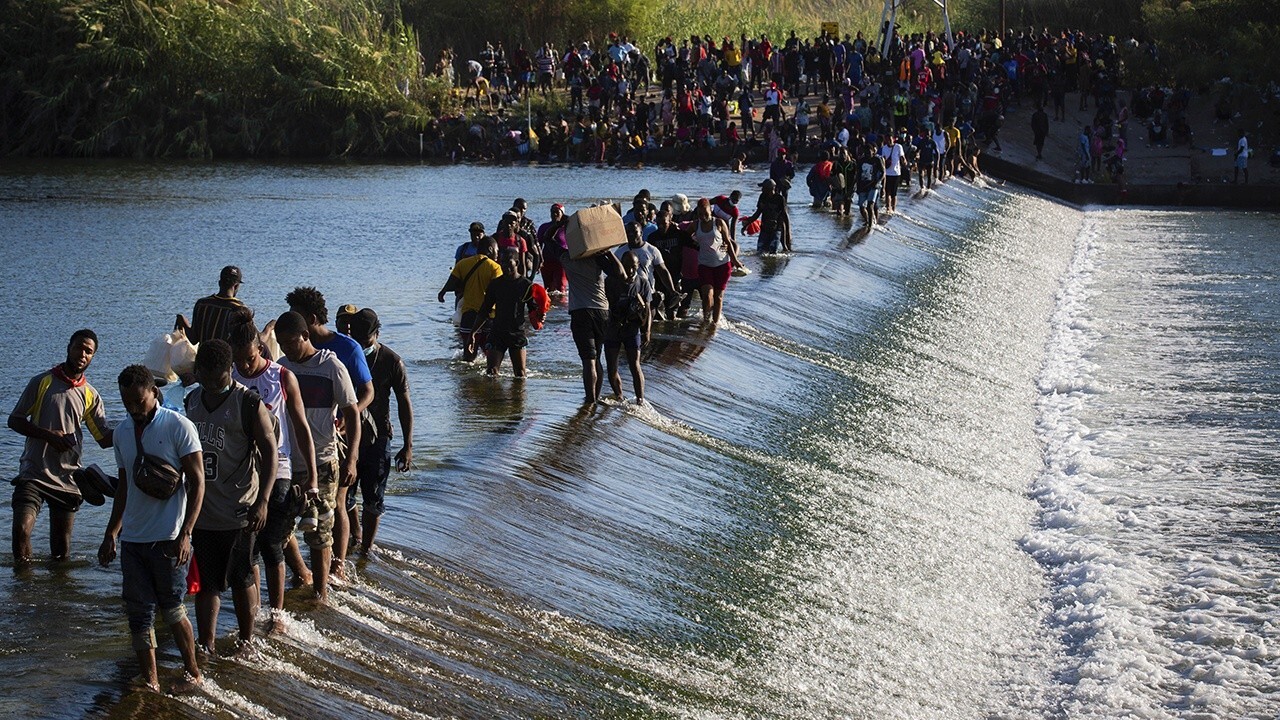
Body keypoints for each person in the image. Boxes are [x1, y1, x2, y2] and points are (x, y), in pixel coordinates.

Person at [97, 365, 204, 694]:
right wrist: (111, 533)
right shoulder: (122, 433)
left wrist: (186, 533)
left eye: (139, 401)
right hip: (132, 540)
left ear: (153, 393)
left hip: (169, 540)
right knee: (138, 615)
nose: (133, 408)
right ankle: (151, 680)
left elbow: (199, 483)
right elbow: (125, 487)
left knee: (172, 610)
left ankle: (193, 672)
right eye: (127, 402)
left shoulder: (178, 426)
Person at [185, 340, 277, 656]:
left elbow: (270, 451)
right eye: (205, 378)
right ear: (197, 372)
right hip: (204, 510)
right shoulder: (191, 401)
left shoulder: (248, 403)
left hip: (240, 508)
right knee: (207, 582)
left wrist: (263, 500)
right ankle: (206, 644)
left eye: (218, 378)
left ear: (229, 371)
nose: (211, 385)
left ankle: (246, 641)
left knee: (240, 577)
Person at [228, 317, 317, 630]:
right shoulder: (230, 378)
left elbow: (301, 427)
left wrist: (312, 476)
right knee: (246, 547)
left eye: (250, 358)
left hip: (278, 468)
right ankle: (254, 611)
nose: (245, 366)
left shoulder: (281, 376)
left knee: (271, 543)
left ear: (260, 347)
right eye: (238, 360)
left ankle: (277, 615)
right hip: (242, 474)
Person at [286, 287, 372, 580]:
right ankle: (307, 571)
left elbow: (366, 391)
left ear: (310, 320)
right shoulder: (288, 356)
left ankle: (338, 565)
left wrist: (349, 421)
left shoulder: (346, 349)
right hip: (298, 448)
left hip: (338, 438)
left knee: (338, 504)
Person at [273, 311, 359, 604]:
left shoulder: (330, 366)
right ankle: (301, 573)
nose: (286, 349)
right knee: (278, 529)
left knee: (320, 530)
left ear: (305, 336)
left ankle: (320, 594)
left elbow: (351, 412)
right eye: (281, 343)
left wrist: (352, 458)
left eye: (291, 342)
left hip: (322, 459)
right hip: (287, 461)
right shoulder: (282, 368)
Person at [9, 329, 113, 565]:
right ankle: (24, 590)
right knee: (21, 532)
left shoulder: (90, 395)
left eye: (89, 351)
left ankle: (57, 598)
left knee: (61, 552)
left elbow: (104, 439)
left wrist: (141, 423)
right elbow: (14, 420)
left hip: (68, 478)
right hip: (33, 472)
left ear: (93, 357)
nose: (83, 354)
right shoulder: (42, 382)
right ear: (69, 348)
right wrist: (48, 435)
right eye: (79, 347)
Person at [335, 306, 412, 556]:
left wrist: (408, 445)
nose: (360, 343)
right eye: (356, 337)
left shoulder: (392, 361)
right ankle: (354, 535)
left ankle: (366, 550)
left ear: (377, 333)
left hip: (378, 437)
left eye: (365, 339)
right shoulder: (345, 355)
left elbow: (404, 404)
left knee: (373, 497)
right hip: (346, 436)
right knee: (344, 495)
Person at [559, 235, 626, 404]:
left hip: (581, 313)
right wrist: (609, 253)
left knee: (588, 360)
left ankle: (590, 402)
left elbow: (548, 239)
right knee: (596, 357)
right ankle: (594, 398)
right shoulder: (598, 258)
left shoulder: (567, 257)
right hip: (602, 312)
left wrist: (560, 225)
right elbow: (621, 274)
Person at [469, 250, 542, 378]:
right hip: (497, 332)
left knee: (520, 374)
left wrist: (540, 316)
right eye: (502, 263)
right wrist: (473, 332)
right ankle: (494, 397)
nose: (504, 266)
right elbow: (484, 310)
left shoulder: (526, 285)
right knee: (491, 372)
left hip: (517, 333)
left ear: (517, 263)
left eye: (508, 263)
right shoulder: (495, 284)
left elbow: (533, 309)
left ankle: (517, 397)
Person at [437, 237, 503, 362]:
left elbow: (451, 284)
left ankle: (467, 380)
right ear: (490, 249)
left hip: (468, 316)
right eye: (496, 250)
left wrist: (442, 292)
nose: (497, 254)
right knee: (490, 354)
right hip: (488, 316)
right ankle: (489, 379)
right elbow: (498, 292)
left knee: (468, 355)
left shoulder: (463, 263)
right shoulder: (495, 267)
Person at [604, 251, 652, 403]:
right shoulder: (610, 281)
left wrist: (647, 330)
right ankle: (619, 397)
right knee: (612, 367)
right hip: (613, 329)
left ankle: (640, 400)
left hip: (632, 329)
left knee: (635, 365)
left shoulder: (643, 283)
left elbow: (648, 310)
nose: (630, 271)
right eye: (626, 267)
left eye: (634, 267)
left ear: (638, 266)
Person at [692, 197, 742, 325]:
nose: (703, 217)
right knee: (707, 294)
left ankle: (714, 324)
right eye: (700, 214)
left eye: (706, 214)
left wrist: (735, 260)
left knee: (718, 297)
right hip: (704, 264)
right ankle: (705, 320)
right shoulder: (696, 224)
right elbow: (684, 235)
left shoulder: (719, 223)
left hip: (722, 264)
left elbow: (728, 242)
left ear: (711, 211)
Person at [183, 266, 249, 345]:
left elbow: (193, 340)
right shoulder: (240, 309)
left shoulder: (202, 304)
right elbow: (249, 340)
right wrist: (268, 328)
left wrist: (183, 321)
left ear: (219, 283)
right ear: (236, 286)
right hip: (228, 357)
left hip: (203, 356)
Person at [742, 179, 791, 254]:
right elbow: (758, 213)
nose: (762, 190)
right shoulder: (762, 197)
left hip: (776, 229)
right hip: (764, 228)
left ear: (771, 189)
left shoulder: (780, 199)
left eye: (764, 188)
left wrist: (787, 233)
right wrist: (747, 225)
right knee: (760, 252)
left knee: (773, 252)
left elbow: (785, 216)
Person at [537, 204, 569, 295]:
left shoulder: (566, 228)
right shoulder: (544, 227)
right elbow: (538, 244)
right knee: (547, 290)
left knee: (560, 288)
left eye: (557, 212)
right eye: (552, 212)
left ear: (562, 214)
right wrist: (539, 261)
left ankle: (561, 307)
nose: (554, 214)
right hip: (547, 262)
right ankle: (550, 307)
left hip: (561, 263)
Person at [855, 143, 886, 227]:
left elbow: (883, 172)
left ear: (873, 151)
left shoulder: (877, 160)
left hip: (873, 186)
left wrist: (878, 182)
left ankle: (871, 225)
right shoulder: (861, 161)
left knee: (870, 205)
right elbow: (858, 174)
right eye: (866, 152)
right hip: (862, 186)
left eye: (869, 152)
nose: (868, 154)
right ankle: (867, 220)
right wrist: (857, 187)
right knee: (861, 206)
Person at [880, 133, 906, 214]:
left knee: (894, 193)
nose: (889, 141)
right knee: (887, 192)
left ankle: (893, 209)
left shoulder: (898, 147)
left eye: (890, 139)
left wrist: (904, 162)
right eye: (887, 139)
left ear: (893, 139)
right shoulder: (884, 148)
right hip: (887, 173)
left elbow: (902, 158)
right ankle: (888, 209)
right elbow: (883, 160)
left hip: (896, 173)